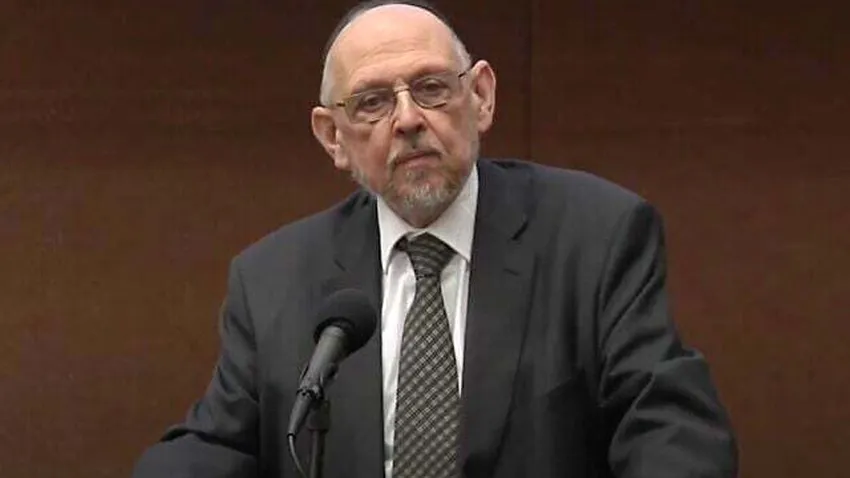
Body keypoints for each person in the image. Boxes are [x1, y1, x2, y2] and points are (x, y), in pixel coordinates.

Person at [133, 1, 738, 477]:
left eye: (430, 88)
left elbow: (672, 430)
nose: (407, 120)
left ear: (481, 97)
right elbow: (214, 447)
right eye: (372, 102)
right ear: (333, 137)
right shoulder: (273, 279)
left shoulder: (596, 236)